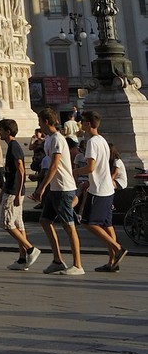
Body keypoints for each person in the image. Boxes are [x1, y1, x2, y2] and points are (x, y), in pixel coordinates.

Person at [31, 107, 84, 275]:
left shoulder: (58, 139)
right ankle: (57, 260)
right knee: (45, 221)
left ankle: (77, 265)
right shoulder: (49, 139)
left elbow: (54, 165)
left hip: (64, 188)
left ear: (46, 121)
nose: (39, 124)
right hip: (55, 188)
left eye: (40, 121)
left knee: (69, 226)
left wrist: (41, 187)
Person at [75, 110, 127, 273]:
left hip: (98, 189)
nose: (80, 124)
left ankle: (117, 248)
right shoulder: (102, 140)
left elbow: (90, 167)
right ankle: (112, 261)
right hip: (107, 188)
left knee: (89, 223)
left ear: (88, 123)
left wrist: (73, 171)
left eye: (82, 121)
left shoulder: (91, 142)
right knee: (107, 224)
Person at [0, 119, 39, 269]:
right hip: (12, 189)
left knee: (6, 223)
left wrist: (17, 193)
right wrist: (1, 192)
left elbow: (21, 170)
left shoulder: (14, 147)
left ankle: (30, 249)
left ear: (8, 131)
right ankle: (22, 258)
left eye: (1, 130)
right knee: (18, 223)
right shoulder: (12, 146)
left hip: (13, 191)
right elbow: (11, 174)